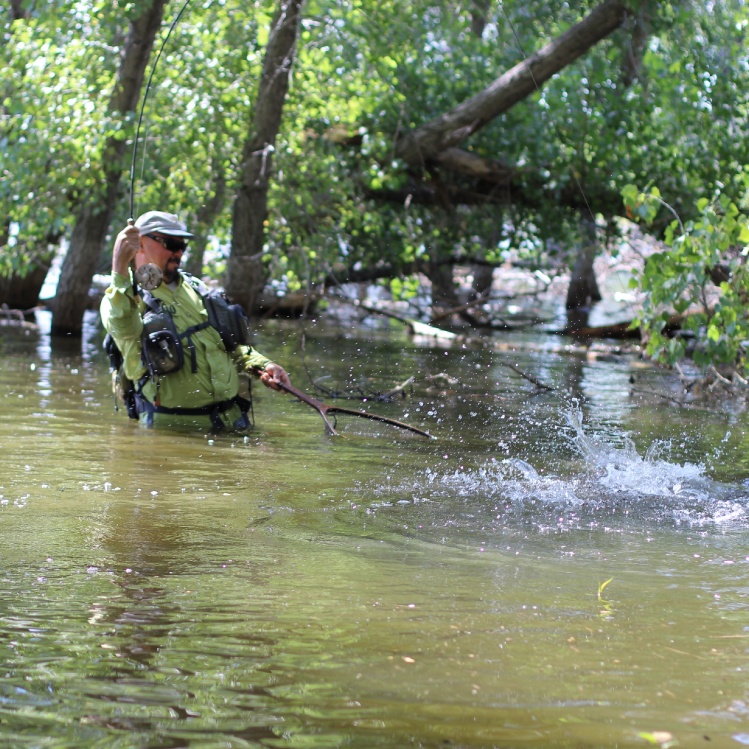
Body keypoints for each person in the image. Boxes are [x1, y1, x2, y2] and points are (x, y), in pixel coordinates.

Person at [100, 210, 291, 432]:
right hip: (172, 435)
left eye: (183, 246)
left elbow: (228, 347)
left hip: (233, 423)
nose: (179, 252)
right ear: (139, 243)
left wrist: (264, 365)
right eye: (171, 244)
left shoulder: (197, 289)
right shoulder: (121, 297)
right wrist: (119, 267)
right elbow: (124, 328)